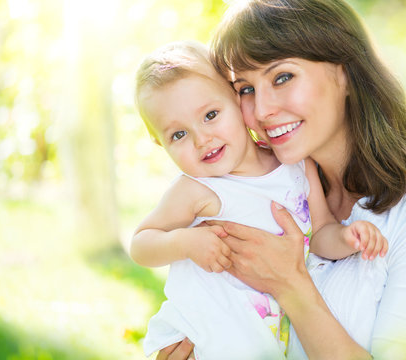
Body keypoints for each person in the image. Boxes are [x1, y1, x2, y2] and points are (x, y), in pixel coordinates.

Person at [156, 0, 406, 359]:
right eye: (245, 88)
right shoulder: (259, 187)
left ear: (346, 73)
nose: (262, 110)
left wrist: (290, 285)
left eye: (282, 77)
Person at [130, 40, 388, 359]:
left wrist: (349, 237)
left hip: (266, 334)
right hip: (205, 331)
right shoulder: (195, 189)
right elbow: (141, 243)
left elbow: (320, 233)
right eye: (178, 135)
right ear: (160, 144)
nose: (201, 139)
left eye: (210, 114)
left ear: (238, 102)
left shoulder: (296, 167)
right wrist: (185, 242)